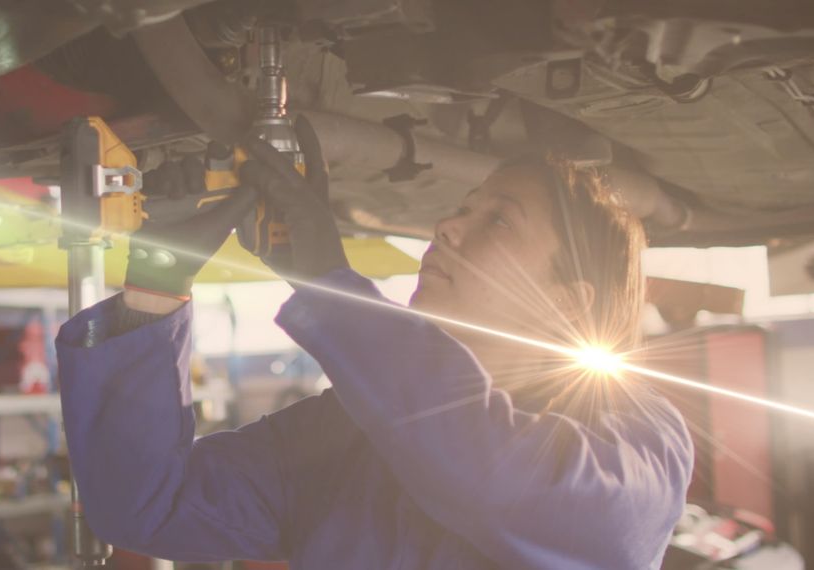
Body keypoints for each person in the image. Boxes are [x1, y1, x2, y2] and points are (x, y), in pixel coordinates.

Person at [56, 117, 693, 569]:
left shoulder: (637, 440)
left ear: (570, 300)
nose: (447, 226)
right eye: (464, 207)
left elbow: (497, 480)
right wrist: (155, 289)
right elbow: (148, 507)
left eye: (498, 220)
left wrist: (333, 291)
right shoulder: (346, 430)